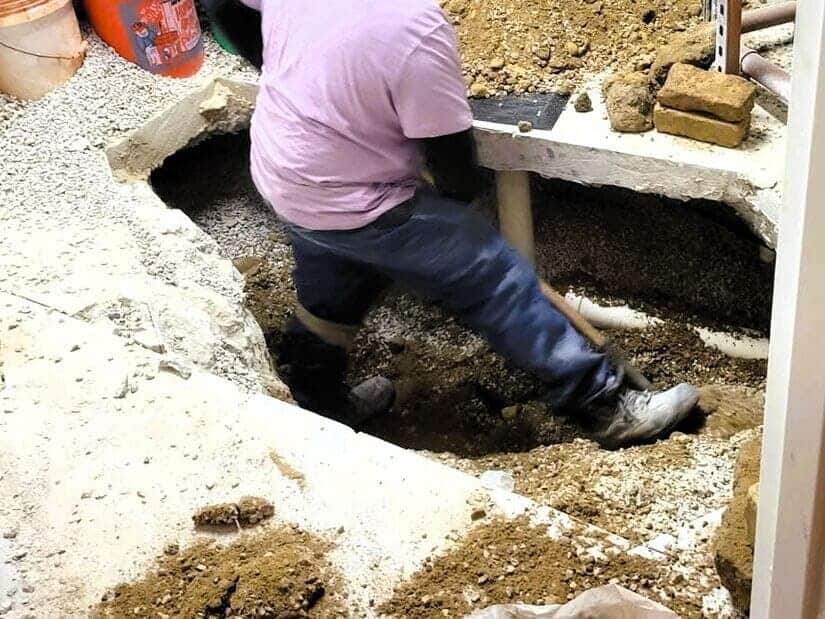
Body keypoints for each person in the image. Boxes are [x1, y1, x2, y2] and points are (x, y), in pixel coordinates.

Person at [202, 0, 699, 448]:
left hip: (285, 173)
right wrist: (457, 214)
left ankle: (318, 400)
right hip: (357, 196)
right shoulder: (413, 28)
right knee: (493, 274)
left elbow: (220, 4)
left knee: (334, 287)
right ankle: (605, 405)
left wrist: (286, 75)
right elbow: (456, 171)